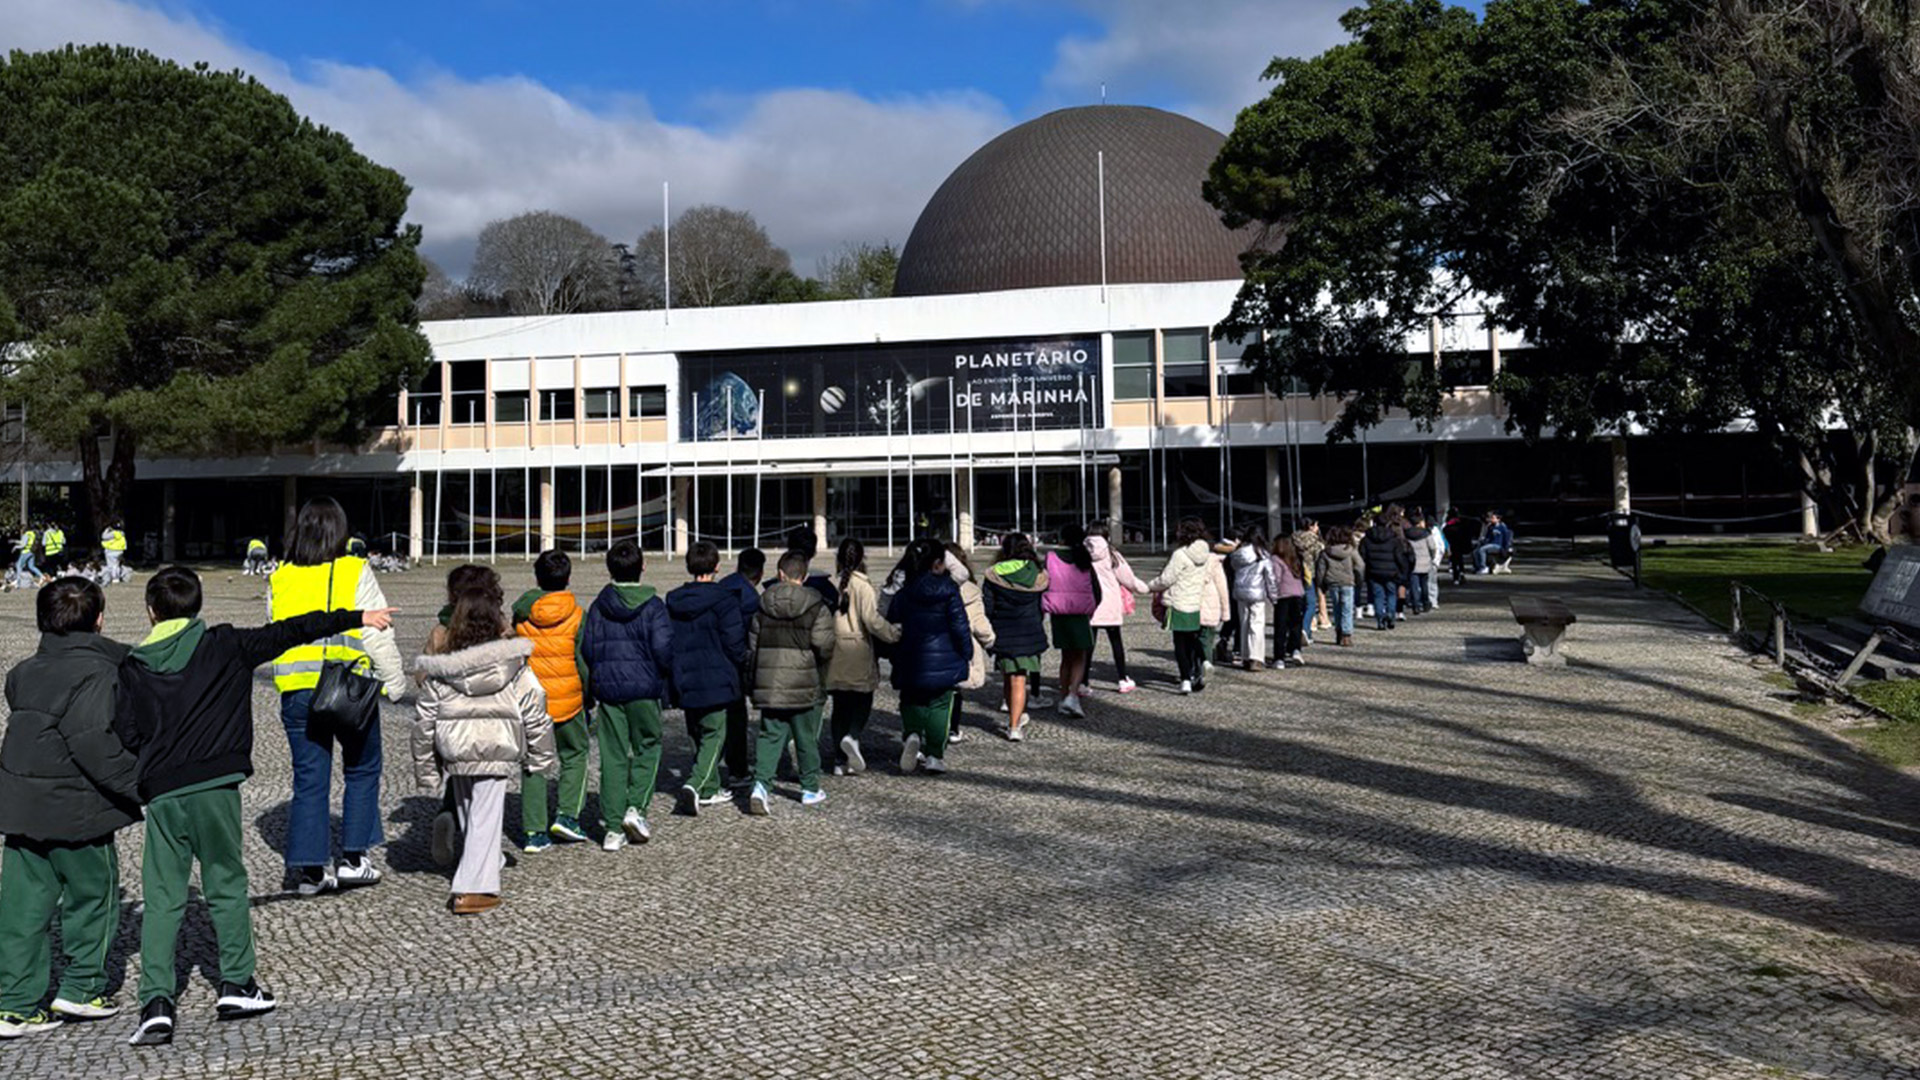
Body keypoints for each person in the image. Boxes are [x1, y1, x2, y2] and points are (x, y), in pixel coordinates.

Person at [115, 566, 393, 1046]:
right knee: (225, 882)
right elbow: (293, 630)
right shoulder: (226, 644)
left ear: (150, 611)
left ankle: (156, 1002)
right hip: (216, 786)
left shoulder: (134, 665)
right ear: (198, 605)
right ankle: (237, 984)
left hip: (162, 792)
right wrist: (357, 616)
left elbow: (126, 732)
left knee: (162, 895)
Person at [0, 578, 140, 1039]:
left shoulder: (23, 671)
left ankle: (15, 1004)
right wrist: (138, 784)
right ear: (99, 620)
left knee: (21, 910)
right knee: (93, 898)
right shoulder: (100, 673)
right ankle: (82, 988)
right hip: (78, 810)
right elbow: (90, 740)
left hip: (20, 807)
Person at [267, 497, 408, 897]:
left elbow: (274, 631)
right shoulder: (353, 568)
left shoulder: (281, 576)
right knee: (362, 768)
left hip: (296, 689)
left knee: (309, 778)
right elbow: (375, 629)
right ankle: (354, 859)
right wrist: (394, 683)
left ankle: (311, 871)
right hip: (346, 688)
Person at [410, 589, 555, 915]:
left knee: (469, 810)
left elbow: (425, 719)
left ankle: (487, 861)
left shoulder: (443, 668)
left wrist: (427, 769)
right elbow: (535, 707)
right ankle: (472, 889)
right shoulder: (513, 663)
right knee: (486, 817)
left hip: (456, 746)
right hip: (495, 743)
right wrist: (540, 756)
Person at [579, 540, 673, 851]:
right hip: (644, 688)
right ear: (643, 567)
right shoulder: (654, 605)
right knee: (648, 746)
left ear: (609, 569)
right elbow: (663, 649)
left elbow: (589, 649)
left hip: (608, 688)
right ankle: (637, 808)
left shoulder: (598, 606)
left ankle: (612, 827)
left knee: (613, 755)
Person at [422, 565, 504, 867]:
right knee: (484, 792)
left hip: (450, 722)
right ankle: (482, 856)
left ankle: (448, 815)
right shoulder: (497, 629)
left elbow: (422, 676)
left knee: (461, 780)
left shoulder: (440, 632)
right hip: (489, 722)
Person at [746, 551, 837, 813]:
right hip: (803, 679)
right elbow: (824, 644)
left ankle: (761, 785)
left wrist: (752, 679)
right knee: (805, 736)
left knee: (769, 735)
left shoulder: (763, 603)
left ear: (780, 574)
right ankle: (809, 788)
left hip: (770, 680)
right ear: (805, 576)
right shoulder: (815, 605)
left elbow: (753, 645)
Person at [510, 550, 589, 853]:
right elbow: (582, 661)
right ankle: (568, 815)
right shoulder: (578, 614)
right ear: (568, 577)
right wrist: (586, 692)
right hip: (568, 697)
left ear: (537, 577)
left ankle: (533, 831)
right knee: (576, 754)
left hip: (531, 698)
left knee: (534, 763)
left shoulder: (521, 613)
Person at [666, 541, 749, 817]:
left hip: (685, 673)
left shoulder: (674, 600)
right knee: (715, 732)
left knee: (696, 732)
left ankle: (710, 786)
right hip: (717, 673)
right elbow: (734, 641)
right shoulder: (725, 600)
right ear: (717, 567)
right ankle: (696, 783)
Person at [886, 538, 972, 775]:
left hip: (910, 657)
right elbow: (960, 626)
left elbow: (892, 625)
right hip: (945, 658)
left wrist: (893, 654)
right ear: (938, 562)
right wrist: (967, 652)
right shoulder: (949, 592)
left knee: (911, 699)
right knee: (940, 705)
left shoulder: (903, 594)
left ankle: (912, 733)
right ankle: (935, 754)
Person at [824, 538, 900, 775]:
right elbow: (871, 620)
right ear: (861, 559)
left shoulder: (833, 584)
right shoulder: (863, 585)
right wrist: (893, 633)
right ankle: (853, 736)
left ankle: (838, 758)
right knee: (863, 698)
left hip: (835, 648)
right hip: (857, 648)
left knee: (839, 705)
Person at [981, 532, 1049, 741]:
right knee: (1020, 679)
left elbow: (988, 607)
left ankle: (1014, 716)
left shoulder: (993, 574)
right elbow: (1042, 606)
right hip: (1029, 630)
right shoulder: (1038, 574)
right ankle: (1014, 726)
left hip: (1003, 631)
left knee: (1008, 677)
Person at [1149, 518, 1212, 693]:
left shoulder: (1180, 554)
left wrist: (1150, 586)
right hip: (1194, 602)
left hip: (1178, 602)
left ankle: (1185, 679)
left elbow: (1167, 578)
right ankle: (1204, 661)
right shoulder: (1205, 552)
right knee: (1193, 638)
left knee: (1180, 644)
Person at [1041, 523, 1098, 719]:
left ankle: (1064, 694)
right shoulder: (1084, 559)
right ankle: (1073, 695)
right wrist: (1092, 608)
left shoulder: (1050, 558)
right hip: (1080, 611)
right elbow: (1097, 589)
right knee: (1080, 655)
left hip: (1058, 611)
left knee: (1066, 656)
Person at [942, 542, 996, 745]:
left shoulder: (925, 585)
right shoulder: (970, 591)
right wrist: (990, 641)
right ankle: (953, 729)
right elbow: (979, 624)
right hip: (959, 647)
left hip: (932, 645)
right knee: (955, 690)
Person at [720, 548, 766, 789]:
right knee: (737, 717)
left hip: (713, 661)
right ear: (760, 573)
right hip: (735, 665)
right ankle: (737, 769)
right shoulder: (752, 599)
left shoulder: (721, 587)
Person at [1084, 520, 1147, 692]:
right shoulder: (1112, 554)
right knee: (1116, 642)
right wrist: (1145, 588)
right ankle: (1122, 679)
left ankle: (1083, 682)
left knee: (1088, 644)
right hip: (1110, 602)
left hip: (1089, 603)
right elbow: (1128, 578)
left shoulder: (1082, 553)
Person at [1229, 526, 1276, 670]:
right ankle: (1256, 658)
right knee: (1256, 625)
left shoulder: (1238, 553)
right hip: (1256, 593)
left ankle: (1245, 656)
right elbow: (1270, 578)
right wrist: (1274, 597)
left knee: (1244, 624)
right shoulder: (1263, 554)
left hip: (1240, 592)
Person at [1359, 515, 1412, 630]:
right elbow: (1399, 557)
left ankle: (1380, 619)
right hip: (1391, 572)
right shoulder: (1394, 540)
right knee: (1391, 594)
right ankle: (1391, 615)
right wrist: (1403, 571)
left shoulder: (1366, 540)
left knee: (1378, 595)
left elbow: (1362, 556)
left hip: (1373, 571)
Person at [1316, 526, 1364, 647]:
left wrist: (1321, 584)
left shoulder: (1326, 552)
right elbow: (1360, 565)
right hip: (1348, 582)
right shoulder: (1351, 550)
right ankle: (1346, 635)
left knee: (1337, 609)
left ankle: (1338, 631)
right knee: (1347, 609)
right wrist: (1359, 579)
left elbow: (1321, 570)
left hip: (1332, 583)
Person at [1269, 538, 1307, 667]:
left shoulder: (1275, 559)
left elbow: (1276, 579)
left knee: (1281, 627)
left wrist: (1272, 595)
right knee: (1296, 624)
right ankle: (1295, 650)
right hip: (1299, 594)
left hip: (1283, 595)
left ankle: (1279, 657)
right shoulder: (1295, 558)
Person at [1197, 536, 1232, 673]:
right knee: (1206, 639)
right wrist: (1225, 612)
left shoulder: (1181, 556)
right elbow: (1222, 588)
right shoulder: (1214, 561)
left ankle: (1191, 670)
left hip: (1189, 605)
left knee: (1188, 640)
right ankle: (1204, 666)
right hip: (1210, 606)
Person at [1293, 519, 1328, 637]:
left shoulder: (1293, 539)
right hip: (1309, 574)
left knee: (1299, 604)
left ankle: (1301, 629)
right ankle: (1305, 629)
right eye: (1316, 525)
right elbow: (1319, 559)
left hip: (1295, 573)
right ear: (1311, 527)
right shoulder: (1315, 542)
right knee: (1311, 604)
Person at [1404, 512, 1441, 615]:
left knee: (1414, 586)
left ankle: (1415, 605)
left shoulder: (1407, 534)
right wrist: (1432, 557)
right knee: (1424, 584)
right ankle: (1426, 603)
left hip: (1412, 563)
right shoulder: (1426, 534)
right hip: (1425, 562)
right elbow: (1433, 547)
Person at [1442, 507, 1475, 585]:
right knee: (1460, 560)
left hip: (1453, 544)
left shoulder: (1448, 525)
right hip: (1461, 543)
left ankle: (1456, 577)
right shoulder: (1463, 523)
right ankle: (1461, 573)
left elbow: (1445, 534)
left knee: (1454, 561)